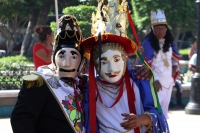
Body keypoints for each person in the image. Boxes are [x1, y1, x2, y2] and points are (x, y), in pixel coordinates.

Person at [81, 1, 169, 132]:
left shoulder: (138, 79)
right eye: (104, 62)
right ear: (96, 64)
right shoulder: (88, 87)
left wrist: (139, 119)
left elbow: (157, 115)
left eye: (116, 59)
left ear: (125, 58)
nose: (111, 69)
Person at [10, 15, 86, 133]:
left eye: (74, 56)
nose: (67, 63)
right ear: (54, 57)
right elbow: (21, 119)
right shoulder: (37, 80)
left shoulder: (84, 82)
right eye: (61, 56)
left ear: (82, 60)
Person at [141, 9, 181, 119]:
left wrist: (174, 66)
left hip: (168, 82)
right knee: (154, 111)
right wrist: (154, 79)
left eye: (163, 28)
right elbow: (145, 64)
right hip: (155, 83)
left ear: (166, 29)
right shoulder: (148, 43)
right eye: (158, 29)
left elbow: (175, 58)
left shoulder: (170, 42)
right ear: (153, 29)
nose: (160, 31)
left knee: (164, 112)